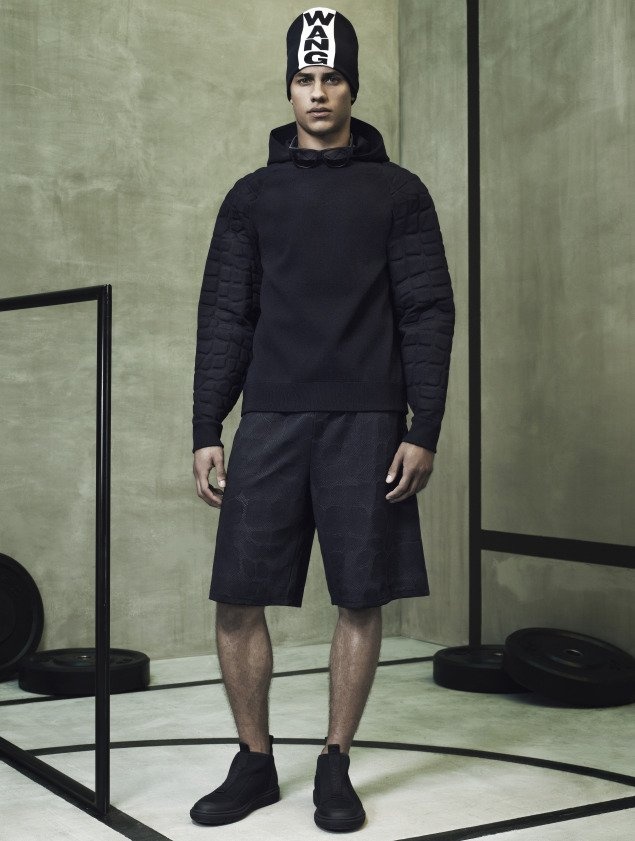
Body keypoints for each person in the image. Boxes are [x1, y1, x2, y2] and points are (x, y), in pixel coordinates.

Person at [190, 6, 454, 833]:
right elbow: (225, 314)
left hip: (366, 421)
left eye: (331, 77)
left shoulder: (399, 193)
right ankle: (254, 760)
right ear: (288, 88)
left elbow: (427, 312)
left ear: (351, 87)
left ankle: (334, 762)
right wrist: (206, 426)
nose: (317, 91)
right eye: (304, 78)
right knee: (238, 597)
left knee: (359, 597)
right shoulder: (251, 196)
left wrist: (423, 425)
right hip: (270, 417)